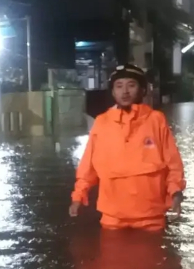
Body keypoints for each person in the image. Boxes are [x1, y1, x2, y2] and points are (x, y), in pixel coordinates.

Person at [69, 64, 186, 232]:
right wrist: (78, 196)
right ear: (113, 92)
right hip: (112, 216)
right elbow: (88, 167)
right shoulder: (102, 122)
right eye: (119, 86)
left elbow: (173, 163)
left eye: (131, 85)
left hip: (150, 216)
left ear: (142, 90)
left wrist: (175, 193)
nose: (125, 91)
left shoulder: (156, 120)